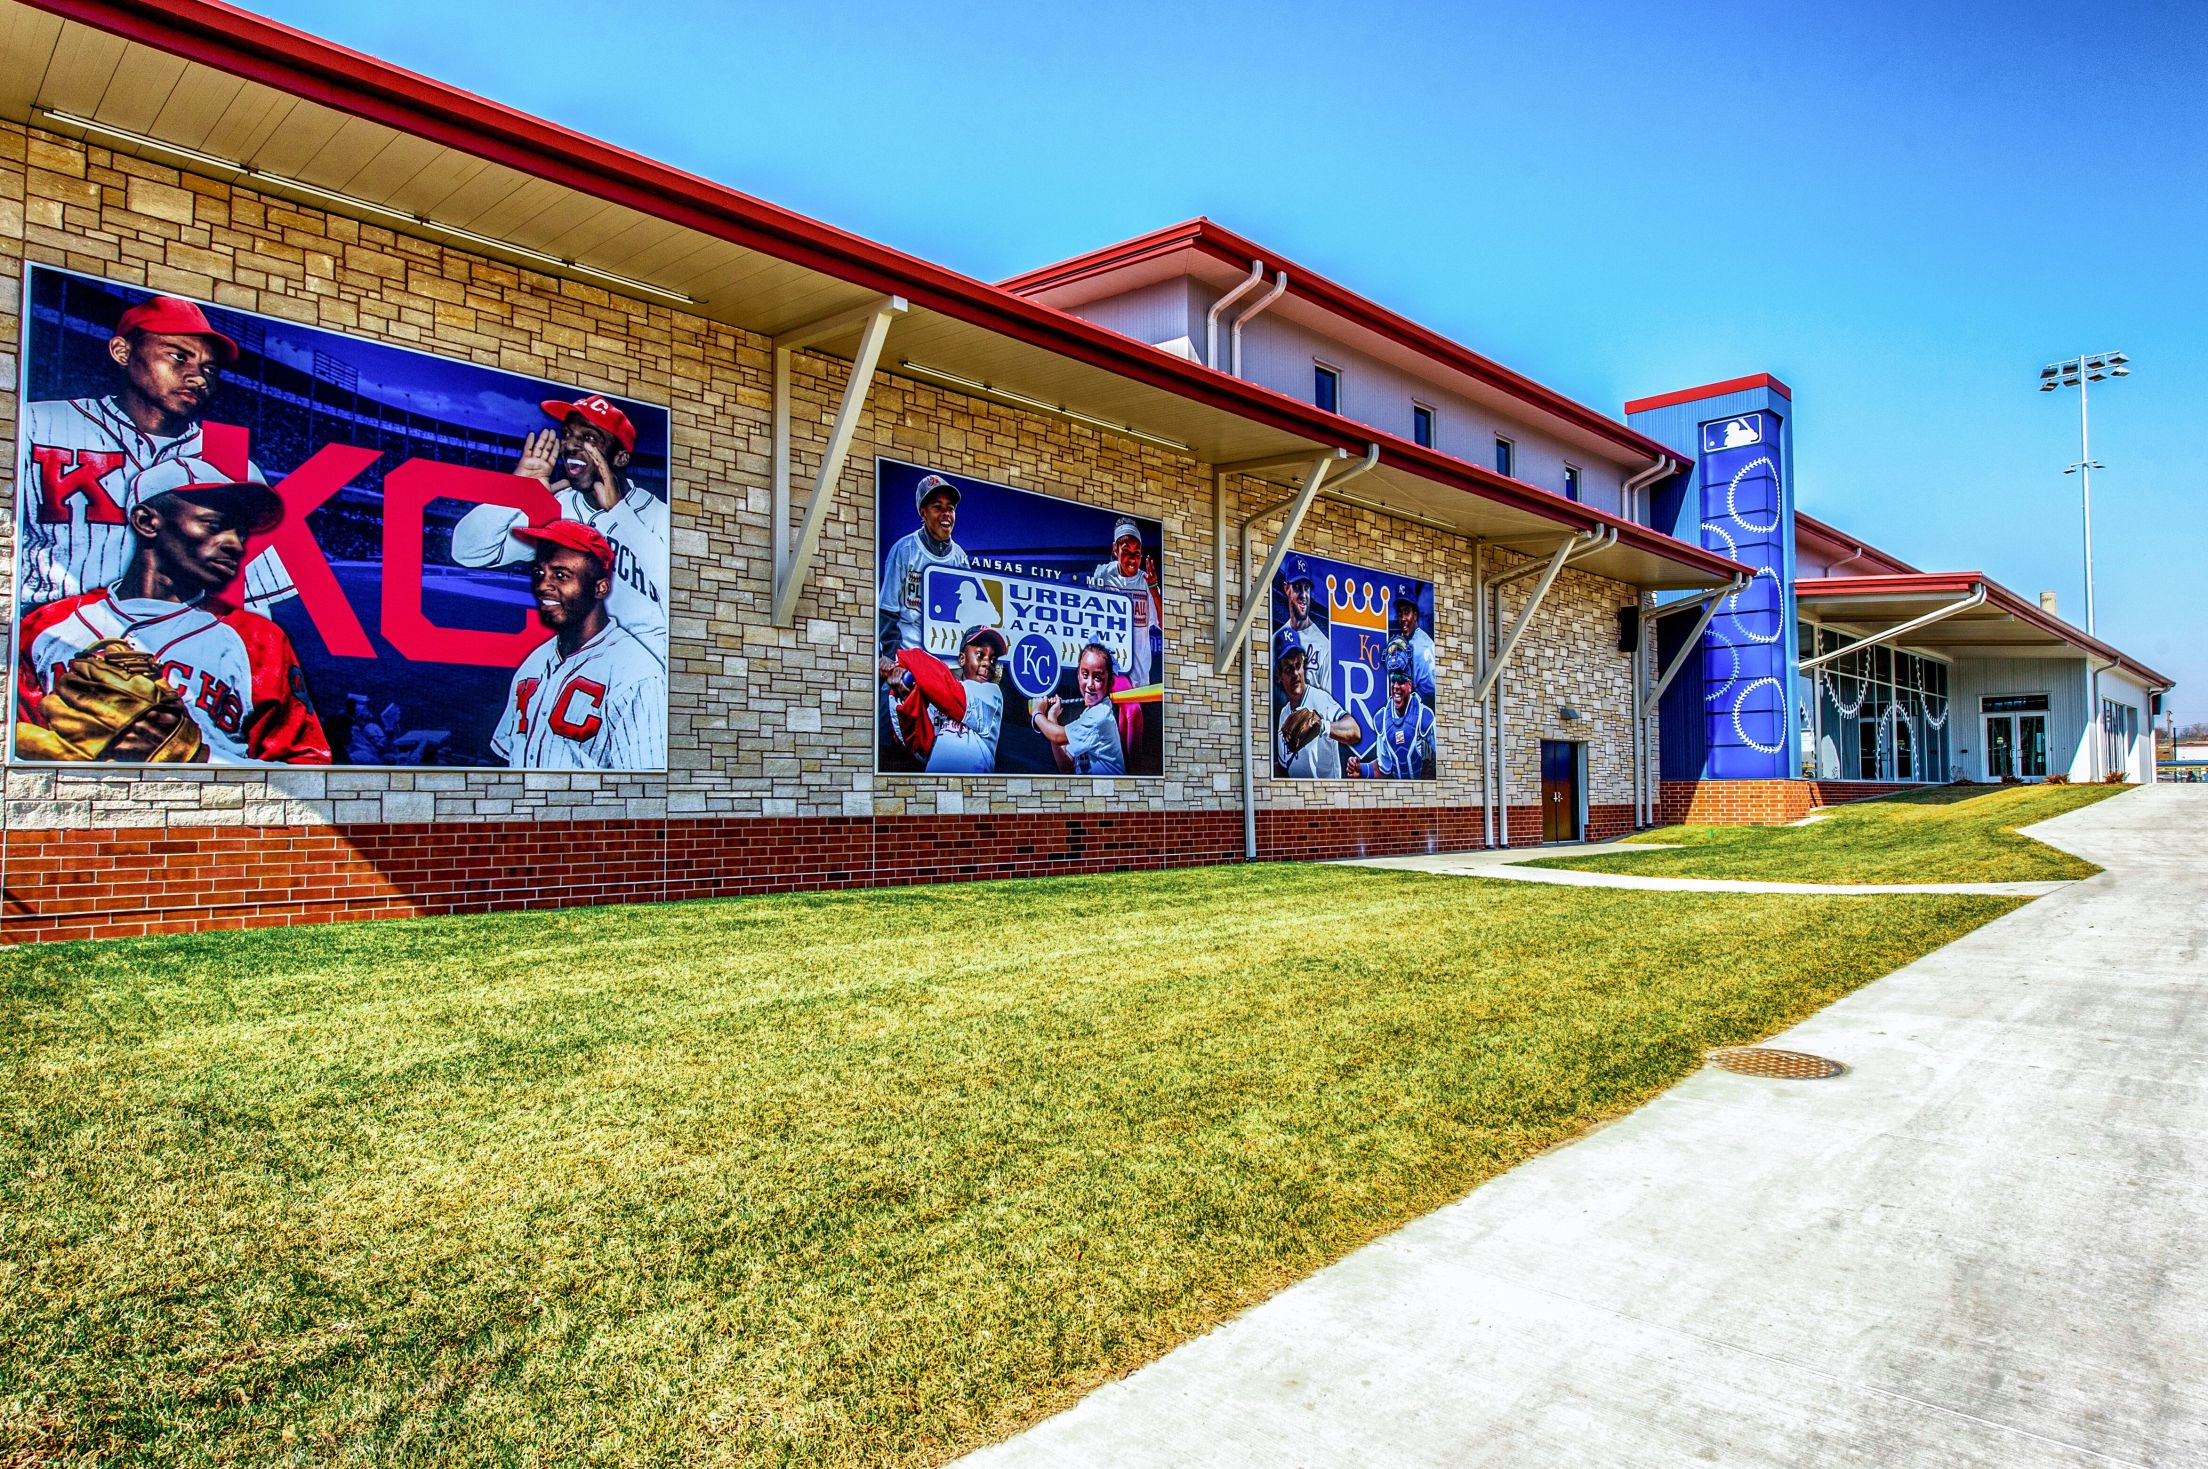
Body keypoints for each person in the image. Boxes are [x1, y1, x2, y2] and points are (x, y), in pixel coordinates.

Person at [15, 457, 329, 765]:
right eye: (215, 525)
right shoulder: (47, 625)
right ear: (146, 522)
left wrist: (199, 757)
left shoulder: (259, 641)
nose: (236, 544)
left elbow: (307, 772)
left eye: (241, 533)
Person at [17, 294, 293, 612]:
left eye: (210, 370)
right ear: (122, 352)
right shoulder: (37, 423)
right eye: (178, 357)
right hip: (42, 640)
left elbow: (252, 600)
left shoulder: (233, 465)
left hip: (175, 646)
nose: (199, 378)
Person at [452, 394, 670, 649]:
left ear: (620, 458)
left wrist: (620, 513)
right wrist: (514, 491)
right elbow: (468, 552)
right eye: (567, 434)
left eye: (588, 437)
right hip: (577, 664)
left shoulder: (658, 515)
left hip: (648, 670)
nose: (569, 446)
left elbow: (681, 606)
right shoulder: (559, 508)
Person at [491, 521, 667, 770]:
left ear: (600, 588)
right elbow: (507, 754)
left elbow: (645, 786)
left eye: (561, 575)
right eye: (539, 573)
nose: (542, 586)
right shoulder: (535, 661)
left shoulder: (637, 673)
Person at [879, 624, 1006, 774]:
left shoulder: (991, 695)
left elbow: (947, 689)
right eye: (980, 654)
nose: (987, 663)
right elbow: (919, 745)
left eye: (993, 659)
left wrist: (899, 662)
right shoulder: (938, 699)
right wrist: (906, 694)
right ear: (962, 659)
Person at [877, 472, 971, 658]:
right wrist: (890, 658)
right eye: (937, 507)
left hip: (948, 659)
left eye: (950, 509)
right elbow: (888, 611)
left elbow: (967, 615)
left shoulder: (959, 557)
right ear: (922, 512)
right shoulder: (905, 550)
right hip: (911, 655)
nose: (946, 514)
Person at [1085, 517, 1161, 688]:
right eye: (1127, 551)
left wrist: (1154, 589)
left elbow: (1164, 625)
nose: (1133, 559)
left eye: (1137, 553)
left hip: (1140, 682)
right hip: (1110, 680)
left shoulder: (1146, 581)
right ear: (1115, 549)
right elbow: (1091, 627)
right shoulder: (1102, 575)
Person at [1032, 642, 1126, 776]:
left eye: (1098, 677)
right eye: (1085, 675)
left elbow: (1058, 736)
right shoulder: (1088, 714)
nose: (1090, 685)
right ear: (1078, 675)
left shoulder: (1100, 715)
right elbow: (1065, 766)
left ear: (1109, 683)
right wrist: (1052, 717)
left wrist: (1037, 713)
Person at [1273, 643, 1360, 779]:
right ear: (1279, 676)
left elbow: (1354, 731)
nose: (1295, 674)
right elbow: (1285, 767)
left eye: (1298, 666)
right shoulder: (1284, 714)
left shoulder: (1319, 699)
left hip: (1326, 795)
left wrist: (1323, 726)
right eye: (1289, 669)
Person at [1369, 642, 1436, 779]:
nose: (1396, 686)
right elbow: (1384, 769)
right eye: (1393, 681)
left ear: (1410, 685)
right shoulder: (1382, 719)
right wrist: (1361, 769)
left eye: (1400, 680)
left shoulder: (1424, 716)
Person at [1274, 553, 1329, 694]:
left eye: (1307, 588)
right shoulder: (1275, 640)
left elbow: (1329, 699)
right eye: (1297, 587)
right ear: (1287, 589)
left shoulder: (1324, 645)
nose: (1303, 595)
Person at [1392, 581, 1437, 704]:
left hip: (1428, 705)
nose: (1402, 618)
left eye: (1407, 612)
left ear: (1415, 615)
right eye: (1400, 613)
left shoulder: (1414, 647)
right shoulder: (1422, 638)